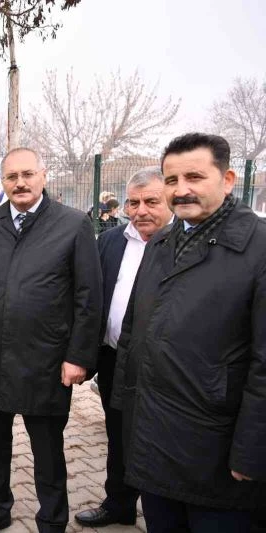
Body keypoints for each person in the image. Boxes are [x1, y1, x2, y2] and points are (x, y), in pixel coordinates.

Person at [111, 133, 266, 532]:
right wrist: (126, 415)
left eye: (195, 177)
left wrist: (252, 453)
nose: (181, 190)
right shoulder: (161, 242)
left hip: (217, 453)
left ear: (228, 179)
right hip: (153, 446)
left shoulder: (258, 248)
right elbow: (132, 334)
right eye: (171, 179)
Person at [0, 147, 102, 533]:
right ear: (2, 183)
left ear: (43, 176)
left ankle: (52, 519)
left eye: (27, 175)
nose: (19, 183)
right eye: (11, 177)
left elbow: (89, 297)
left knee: (48, 451)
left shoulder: (72, 225)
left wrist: (79, 356)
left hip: (47, 361)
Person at [74, 167, 173, 528]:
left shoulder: (181, 243)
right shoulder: (111, 240)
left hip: (162, 367)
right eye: (134, 202)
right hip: (116, 360)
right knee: (118, 438)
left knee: (158, 442)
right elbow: (93, 298)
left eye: (152, 201)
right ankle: (119, 504)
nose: (141, 210)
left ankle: (165, 514)